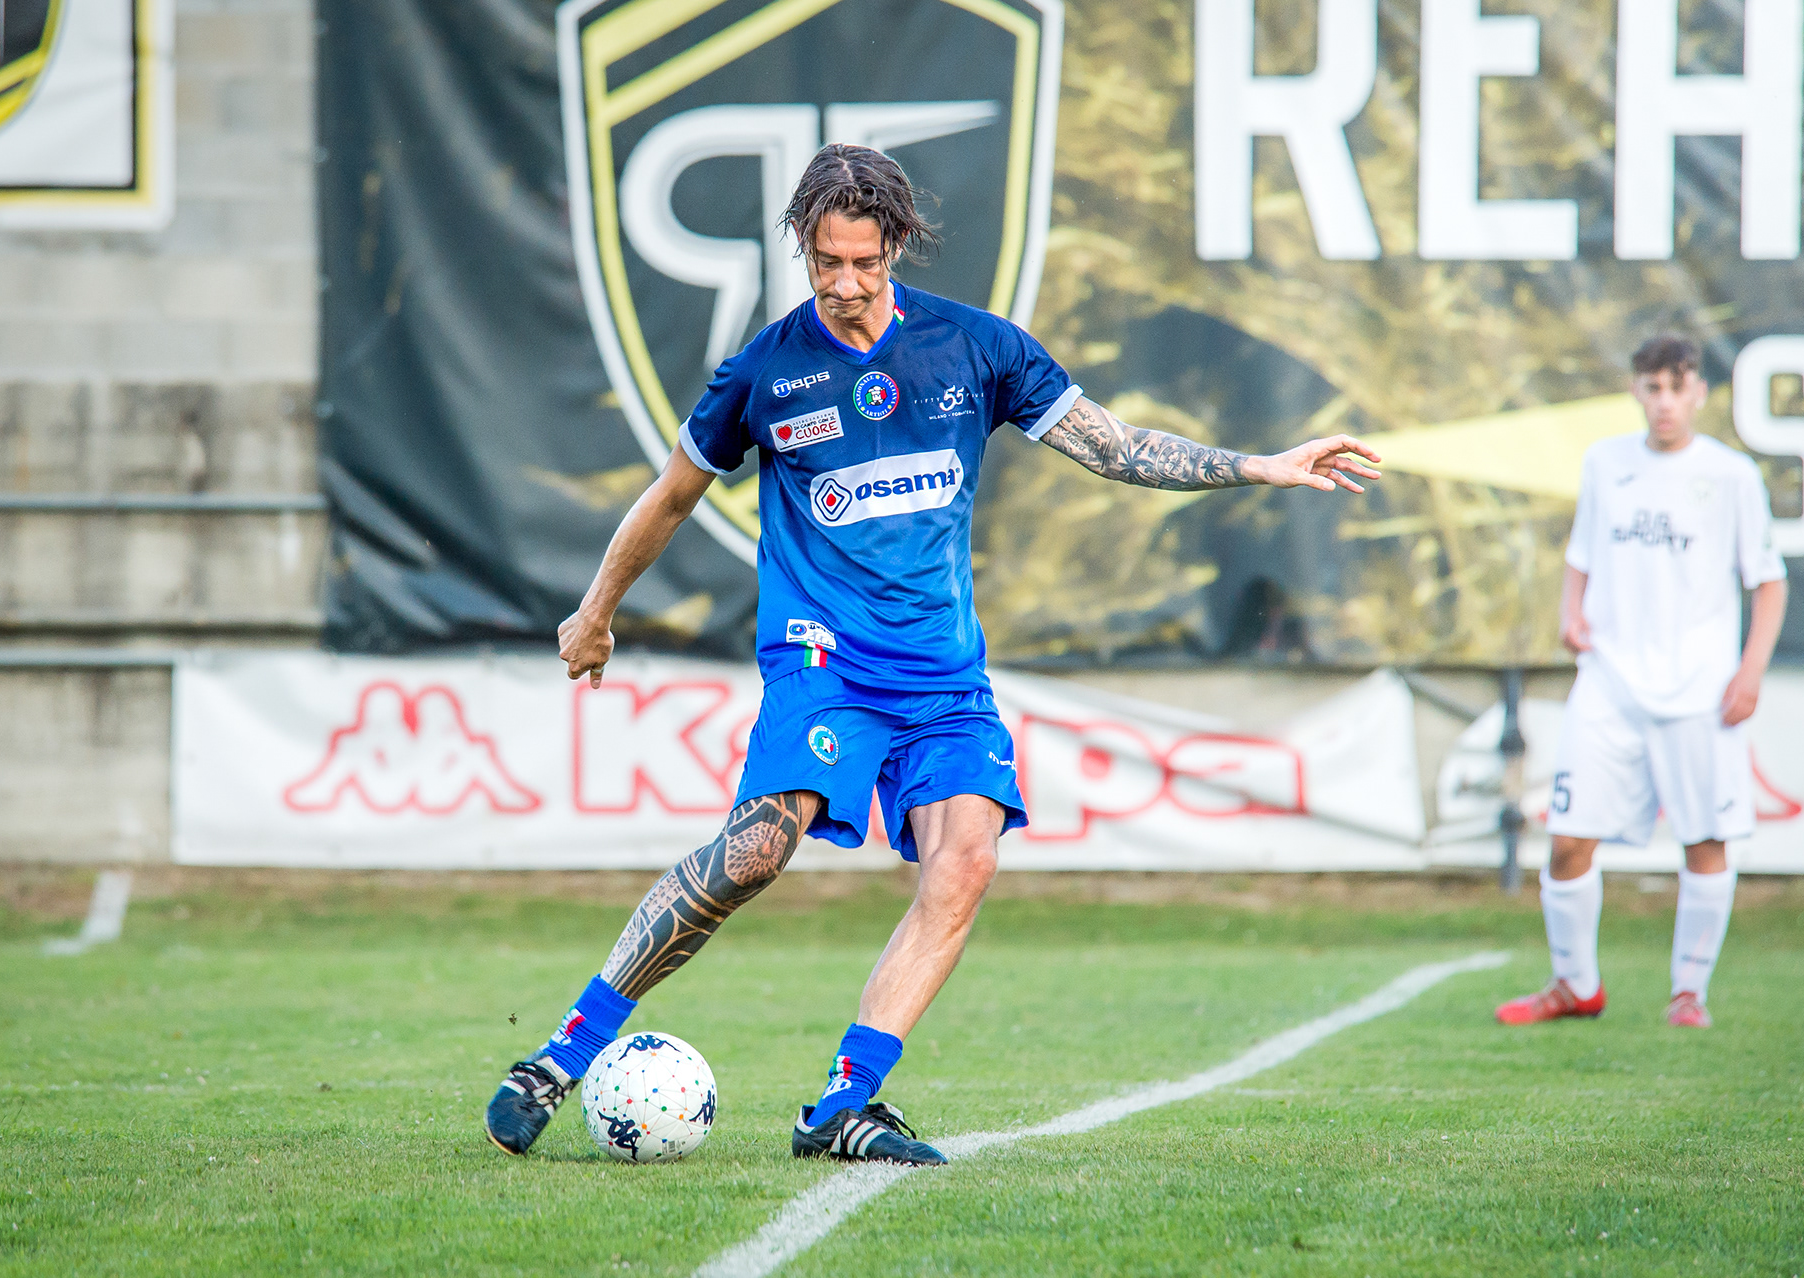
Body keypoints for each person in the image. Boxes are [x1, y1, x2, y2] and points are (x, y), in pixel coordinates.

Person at [486, 143, 1381, 1164]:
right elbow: (670, 497)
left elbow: (1115, 446)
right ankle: (560, 1056)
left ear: (898, 247)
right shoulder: (765, 371)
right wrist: (595, 612)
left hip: (943, 676)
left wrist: (1261, 466)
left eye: (865, 263)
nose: (846, 284)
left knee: (966, 862)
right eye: (827, 262)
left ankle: (842, 1105)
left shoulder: (976, 348)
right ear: (804, 250)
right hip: (824, 661)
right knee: (756, 850)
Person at [1496, 334, 1788, 1030]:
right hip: (1609, 683)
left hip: (1699, 690)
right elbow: (1582, 554)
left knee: (1705, 841)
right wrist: (1570, 614)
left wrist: (1749, 672)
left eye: (1677, 388)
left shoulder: (1730, 475)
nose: (1664, 403)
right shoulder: (1607, 462)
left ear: (1699, 394)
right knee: (1568, 840)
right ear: (1635, 390)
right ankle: (1576, 986)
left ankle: (1689, 993)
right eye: (1652, 388)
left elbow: (1768, 582)